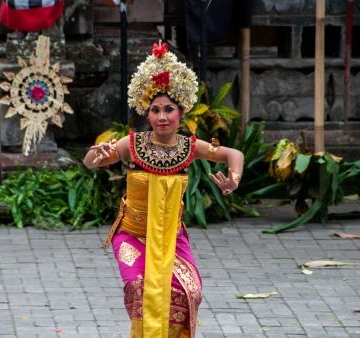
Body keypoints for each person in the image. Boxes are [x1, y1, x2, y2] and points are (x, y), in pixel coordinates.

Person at [83, 42, 244, 338]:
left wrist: (233, 178)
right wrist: (96, 155)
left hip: (172, 235)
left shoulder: (190, 147)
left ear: (180, 113)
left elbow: (234, 154)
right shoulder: (131, 145)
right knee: (139, 288)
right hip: (131, 234)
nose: (161, 117)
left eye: (169, 109)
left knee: (189, 292)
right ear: (147, 113)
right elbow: (91, 162)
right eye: (155, 110)